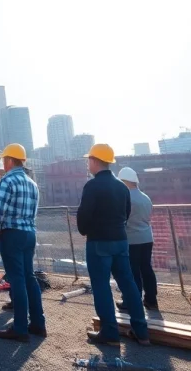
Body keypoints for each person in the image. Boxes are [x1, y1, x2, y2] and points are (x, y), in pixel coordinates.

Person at [77, 143, 151, 347]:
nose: (87, 164)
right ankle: (141, 331)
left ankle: (109, 332)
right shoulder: (121, 186)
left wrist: (86, 230)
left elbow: (84, 216)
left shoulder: (91, 186)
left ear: (94, 161)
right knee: (129, 284)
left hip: (99, 242)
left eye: (88, 160)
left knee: (101, 286)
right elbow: (126, 213)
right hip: (120, 241)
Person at [0, 143, 46, 342]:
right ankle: (38, 323)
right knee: (29, 277)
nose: (3, 163)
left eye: (5, 159)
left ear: (10, 160)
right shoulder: (32, 183)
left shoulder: (7, 181)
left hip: (12, 234)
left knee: (17, 279)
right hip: (29, 233)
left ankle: (20, 328)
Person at [116, 167, 158, 311]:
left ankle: (132, 301)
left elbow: (122, 219)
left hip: (131, 239)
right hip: (147, 237)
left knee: (132, 272)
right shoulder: (145, 197)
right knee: (146, 268)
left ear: (123, 181)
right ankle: (151, 300)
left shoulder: (125, 197)